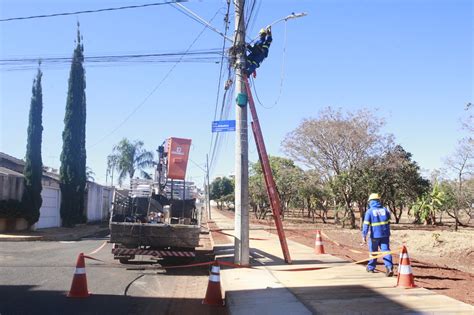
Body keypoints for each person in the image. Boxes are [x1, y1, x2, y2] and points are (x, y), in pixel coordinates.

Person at [362, 193, 394, 277]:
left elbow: (365, 225)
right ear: (379, 201)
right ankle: (389, 267)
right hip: (385, 235)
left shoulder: (369, 212)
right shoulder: (385, 210)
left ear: (371, 202)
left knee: (373, 251)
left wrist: (364, 236)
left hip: (374, 236)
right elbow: (388, 221)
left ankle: (371, 267)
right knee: (386, 251)